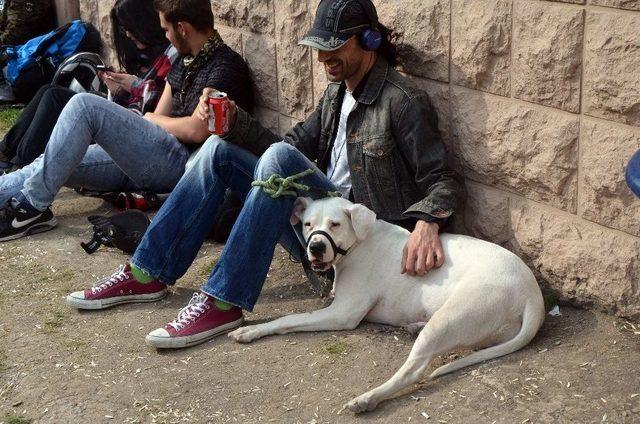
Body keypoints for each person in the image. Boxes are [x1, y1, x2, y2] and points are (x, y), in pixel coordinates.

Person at [67, 0, 463, 350]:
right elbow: (287, 148)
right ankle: (146, 272)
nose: (324, 56)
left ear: (369, 41)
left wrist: (427, 222)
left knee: (272, 157)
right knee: (219, 149)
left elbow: (442, 177)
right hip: (314, 231)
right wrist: (234, 121)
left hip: (357, 244)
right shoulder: (336, 94)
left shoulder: (403, 101)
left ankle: (224, 300)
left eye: (335, 45)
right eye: (319, 46)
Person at [0, 0, 254, 241]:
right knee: (55, 161)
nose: (164, 36)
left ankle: (31, 208)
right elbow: (161, 116)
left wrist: (152, 118)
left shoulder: (224, 66)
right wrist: (153, 118)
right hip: (152, 155)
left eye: (166, 29)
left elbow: (196, 131)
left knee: (84, 105)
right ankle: (21, 202)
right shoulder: (184, 60)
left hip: (185, 165)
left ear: (182, 28)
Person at [0, 0, 177, 171]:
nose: (127, 35)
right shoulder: (152, 54)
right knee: (50, 91)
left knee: (58, 99)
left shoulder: (172, 57)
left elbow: (153, 109)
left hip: (132, 128)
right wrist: (119, 89)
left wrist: (133, 85)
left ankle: (21, 163)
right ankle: (6, 152)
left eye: (128, 28)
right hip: (126, 114)